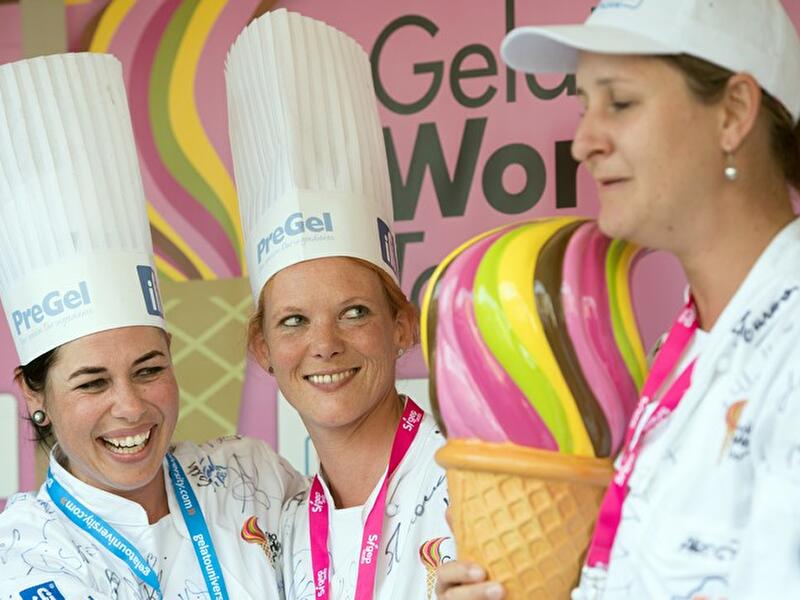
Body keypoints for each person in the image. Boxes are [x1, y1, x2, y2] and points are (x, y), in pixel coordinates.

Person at [437, 0, 800, 598]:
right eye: (585, 106)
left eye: (621, 102)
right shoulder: (679, 353)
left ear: (734, 112)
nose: (582, 143)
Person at [0, 52, 306, 599]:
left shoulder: (248, 476)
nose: (130, 406)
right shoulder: (25, 561)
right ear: (34, 393)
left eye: (148, 370)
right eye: (92, 382)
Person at [225, 9, 455, 600]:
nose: (324, 344)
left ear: (402, 325)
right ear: (263, 349)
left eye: (355, 312)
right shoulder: (283, 533)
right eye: (294, 321)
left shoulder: (469, 482)